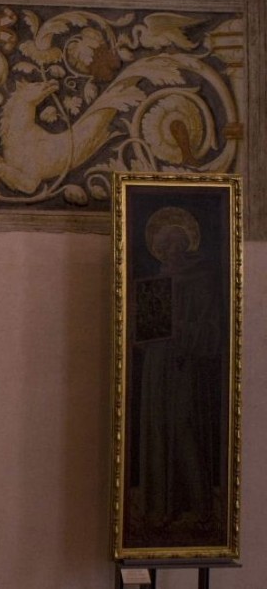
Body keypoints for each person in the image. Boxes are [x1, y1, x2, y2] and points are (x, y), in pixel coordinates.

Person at [135, 206, 222, 536]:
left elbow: (213, 331)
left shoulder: (202, 280)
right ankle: (162, 508)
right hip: (158, 367)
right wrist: (143, 328)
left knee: (184, 428)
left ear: (187, 245)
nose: (170, 250)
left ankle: (201, 508)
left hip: (186, 366)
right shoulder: (156, 282)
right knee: (158, 429)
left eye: (175, 243)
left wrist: (182, 328)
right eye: (164, 245)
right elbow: (141, 337)